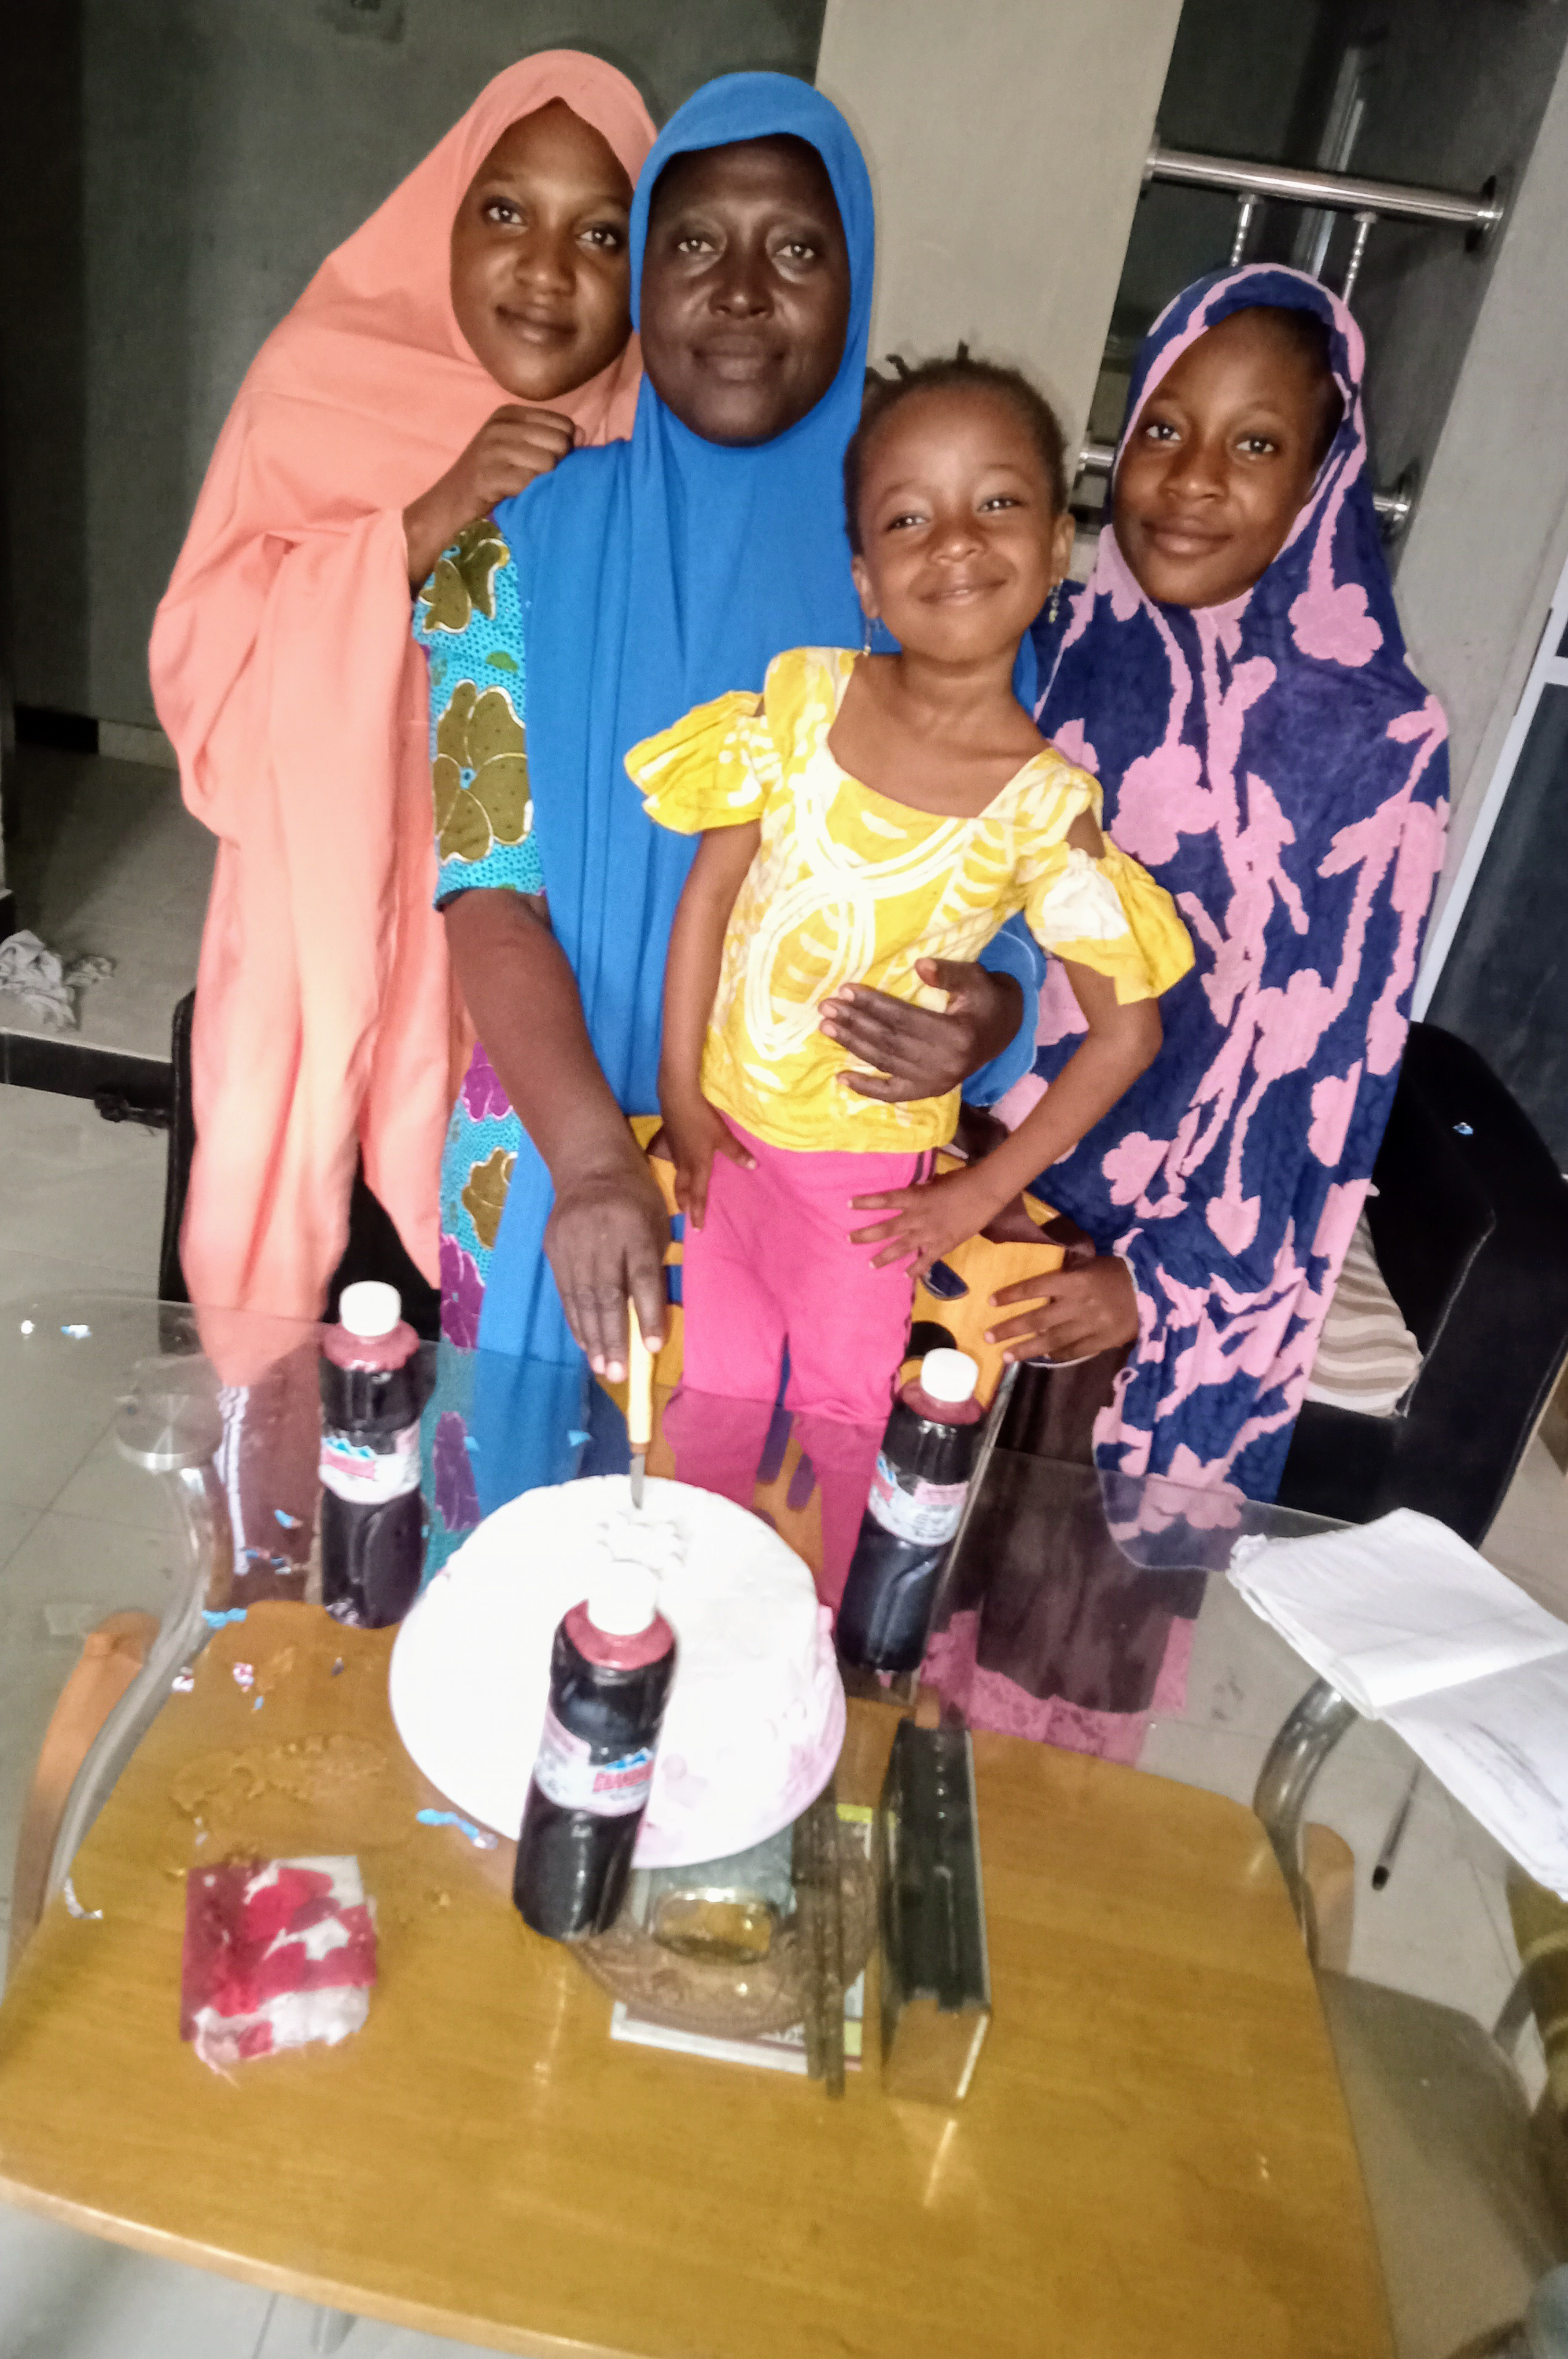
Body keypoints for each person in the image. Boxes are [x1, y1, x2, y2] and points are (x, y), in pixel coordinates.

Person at [413, 75, 1046, 1402]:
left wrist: (986, 1014)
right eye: (696, 242)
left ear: (855, 284)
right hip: (552, 1154)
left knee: (767, 1510)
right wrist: (595, 1158)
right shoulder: (505, 555)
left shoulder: (939, 584)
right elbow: (487, 892)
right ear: (642, 280)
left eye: (797, 251)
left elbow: (1005, 913)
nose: (744, 292)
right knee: (521, 1499)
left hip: (824, 1187)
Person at [923, 266, 1449, 1756]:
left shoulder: (1375, 738)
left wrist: (1157, 1292)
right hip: (982, 1192)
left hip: (1154, 1268)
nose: (1193, 478)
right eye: (1165, 428)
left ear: (1324, 478)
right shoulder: (1063, 651)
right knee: (897, 1561)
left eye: (1254, 444)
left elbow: (1325, 1083)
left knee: (1047, 1657)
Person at [150, 55, 655, 1368]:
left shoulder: (652, 438)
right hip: (314, 931)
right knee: (292, 1325)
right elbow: (209, 683)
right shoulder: (317, 381)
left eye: (602, 234)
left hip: (522, 965)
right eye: (507, 212)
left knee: (467, 1327)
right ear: (447, 216)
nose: (545, 269)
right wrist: (429, 518)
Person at [628, 355, 1192, 1423]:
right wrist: (683, 1097)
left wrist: (978, 1193)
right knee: (716, 1394)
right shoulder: (800, 699)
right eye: (908, 519)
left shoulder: (1044, 808)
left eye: (997, 503)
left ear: (1057, 548)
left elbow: (1129, 1035)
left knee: (842, 1417)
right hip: (724, 1138)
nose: (956, 540)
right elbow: (708, 902)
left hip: (871, 1184)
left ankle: (836, 1545)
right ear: (865, 580)